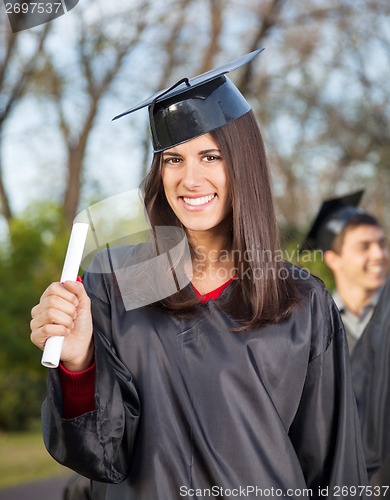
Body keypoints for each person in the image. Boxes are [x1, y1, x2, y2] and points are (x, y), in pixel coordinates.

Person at [30, 49, 369, 499]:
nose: (190, 179)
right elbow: (100, 457)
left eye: (210, 157)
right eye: (173, 159)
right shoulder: (116, 280)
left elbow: (333, 464)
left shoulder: (301, 299)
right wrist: (78, 365)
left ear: (242, 165)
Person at [301, 191, 389, 353]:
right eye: (364, 246)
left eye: (382, 244)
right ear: (333, 259)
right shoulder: (315, 325)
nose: (379, 255)